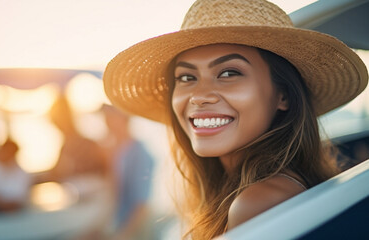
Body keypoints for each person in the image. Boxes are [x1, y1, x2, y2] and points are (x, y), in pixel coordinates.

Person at [102, 0, 368, 239]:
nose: (199, 96)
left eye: (229, 73)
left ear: (283, 95)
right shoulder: (273, 187)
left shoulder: (258, 202)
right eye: (186, 77)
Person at [100, 104, 154, 240]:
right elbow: (113, 200)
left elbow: (142, 208)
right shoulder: (117, 152)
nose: (106, 123)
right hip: (116, 225)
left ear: (124, 117)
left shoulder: (140, 154)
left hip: (133, 232)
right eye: (105, 118)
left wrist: (120, 236)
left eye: (110, 117)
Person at [0, 138, 32, 213]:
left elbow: (19, 199)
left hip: (15, 212)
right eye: (4, 151)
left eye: (9, 153)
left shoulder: (23, 174)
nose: (6, 155)